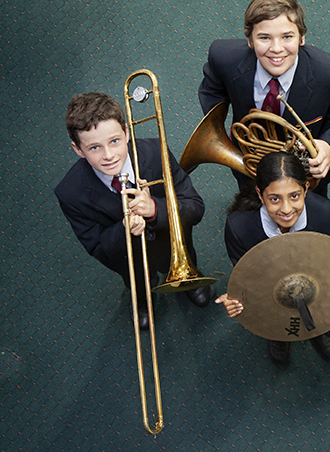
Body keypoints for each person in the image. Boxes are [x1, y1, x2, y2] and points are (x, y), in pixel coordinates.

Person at [55, 92, 212, 331]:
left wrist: (155, 210)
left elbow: (195, 207)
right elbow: (97, 248)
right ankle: (141, 299)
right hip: (129, 260)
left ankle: (189, 280)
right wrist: (123, 229)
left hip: (174, 243)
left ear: (127, 133)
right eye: (94, 147)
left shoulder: (156, 152)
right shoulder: (70, 192)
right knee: (138, 281)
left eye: (115, 141)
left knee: (184, 256)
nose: (108, 155)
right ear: (78, 149)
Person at [198, 0, 330, 198]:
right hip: (249, 160)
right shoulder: (223, 58)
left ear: (302, 37)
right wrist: (217, 130)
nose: (276, 48)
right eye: (264, 37)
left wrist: (328, 146)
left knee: (312, 216)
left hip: (306, 171)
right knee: (250, 207)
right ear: (249, 40)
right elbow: (212, 91)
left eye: (287, 37)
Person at [215, 152, 330, 365]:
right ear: (260, 195)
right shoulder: (239, 227)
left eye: (294, 196)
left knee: (319, 304)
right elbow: (245, 275)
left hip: (318, 281)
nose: (287, 209)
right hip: (270, 288)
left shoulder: (328, 213)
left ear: (306, 189)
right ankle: (278, 334)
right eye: (274, 199)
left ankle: (320, 329)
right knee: (274, 312)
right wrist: (236, 299)